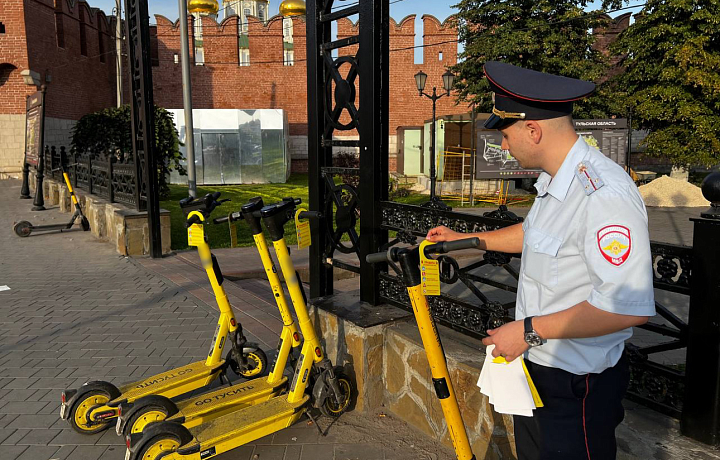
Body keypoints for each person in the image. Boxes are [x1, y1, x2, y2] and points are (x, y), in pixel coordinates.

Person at [425, 61, 656, 460]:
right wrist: (468, 239)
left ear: (533, 129)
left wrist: (527, 331)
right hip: (538, 369)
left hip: (577, 384)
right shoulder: (556, 180)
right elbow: (534, 235)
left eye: (507, 134)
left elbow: (627, 309)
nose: (504, 146)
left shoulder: (602, 194)